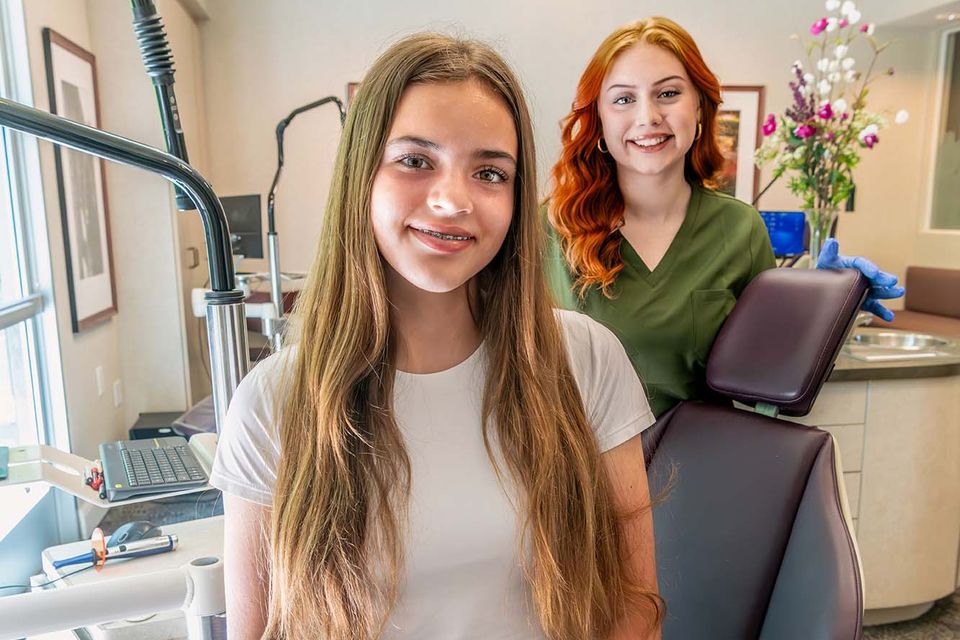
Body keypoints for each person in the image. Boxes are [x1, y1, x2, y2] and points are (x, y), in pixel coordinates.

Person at [210, 33, 663, 640]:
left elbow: (633, 610)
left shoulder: (585, 361)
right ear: (361, 177)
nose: (452, 200)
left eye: (489, 172)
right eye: (416, 161)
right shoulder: (273, 403)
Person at [545, 17, 903, 418]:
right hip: (579, 471)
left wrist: (825, 306)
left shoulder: (740, 228)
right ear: (599, 120)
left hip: (701, 470)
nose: (648, 116)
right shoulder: (549, 228)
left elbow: (767, 375)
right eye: (624, 99)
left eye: (668, 93)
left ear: (699, 106)